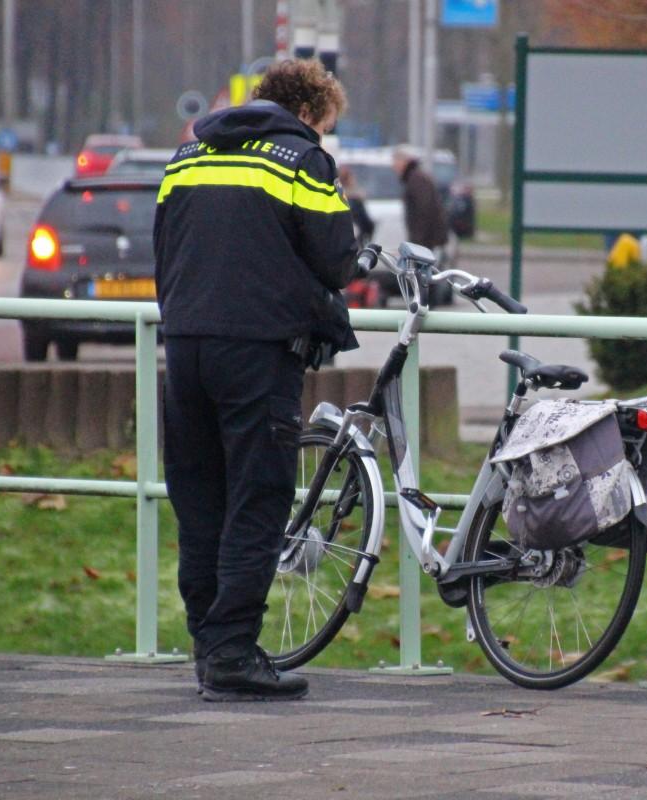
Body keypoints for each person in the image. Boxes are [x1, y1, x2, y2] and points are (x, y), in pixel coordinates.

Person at [153, 59, 359, 702]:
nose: (321, 139)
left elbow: (166, 246)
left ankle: (209, 649)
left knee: (200, 501)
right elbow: (337, 259)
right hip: (257, 351)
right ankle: (234, 653)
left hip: (184, 347)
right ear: (306, 114)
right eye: (323, 128)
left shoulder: (188, 155)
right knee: (259, 499)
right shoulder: (300, 161)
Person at [392, 144, 449, 253]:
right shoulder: (414, 177)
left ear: (405, 161)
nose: (393, 166)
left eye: (396, 161)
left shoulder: (416, 179)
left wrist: (418, 242)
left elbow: (424, 210)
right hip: (426, 240)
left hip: (427, 240)